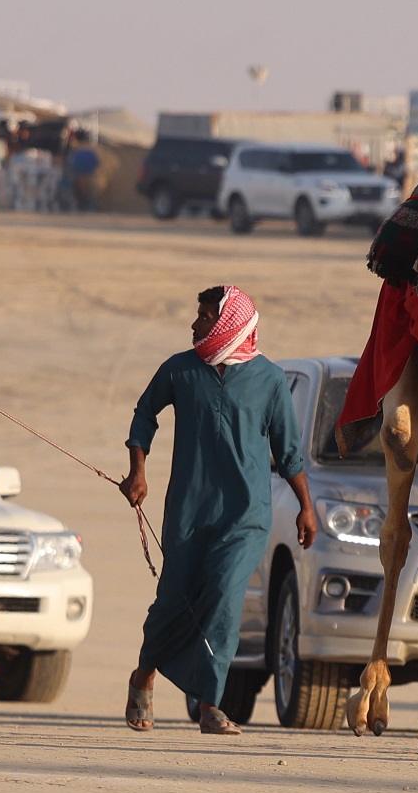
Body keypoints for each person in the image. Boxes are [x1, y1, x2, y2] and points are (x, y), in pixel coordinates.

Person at [122, 285, 317, 735]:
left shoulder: (269, 379)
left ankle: (211, 705)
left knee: (225, 600)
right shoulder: (180, 370)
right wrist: (138, 472)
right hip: (188, 512)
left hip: (246, 516)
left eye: (205, 316)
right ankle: (143, 676)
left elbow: (288, 452)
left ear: (229, 322)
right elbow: (144, 415)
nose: (195, 324)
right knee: (174, 601)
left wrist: (306, 507)